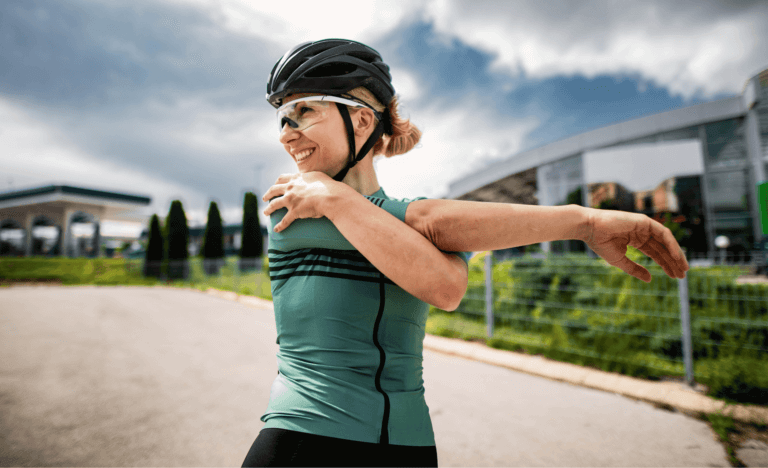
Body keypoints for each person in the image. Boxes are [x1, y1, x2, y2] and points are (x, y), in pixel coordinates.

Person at [241, 39, 690, 468]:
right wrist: (585, 221)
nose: (287, 134)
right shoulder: (292, 209)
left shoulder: (369, 209)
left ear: (360, 120)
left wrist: (333, 196)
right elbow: (438, 258)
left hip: (407, 444)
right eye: (282, 118)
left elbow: (444, 277)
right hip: (305, 437)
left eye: (303, 111)